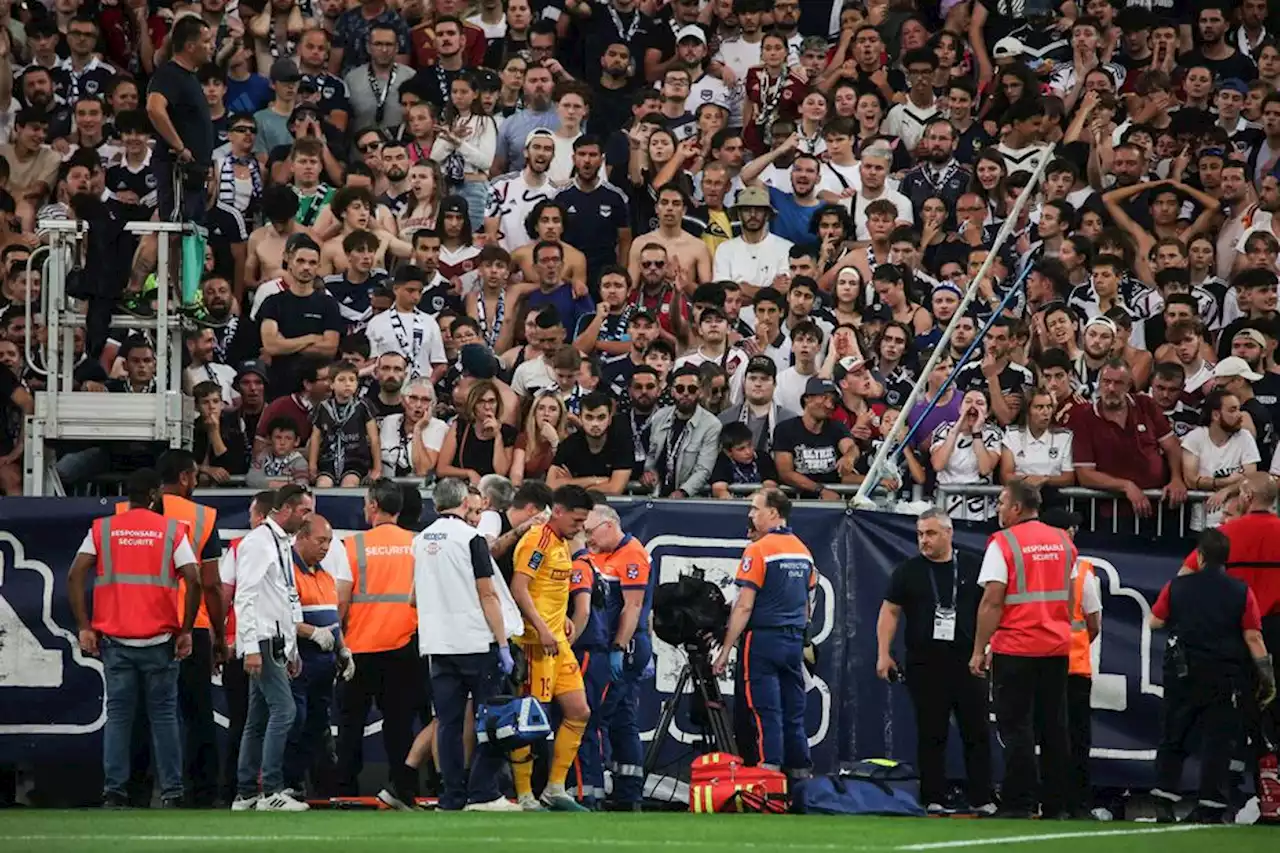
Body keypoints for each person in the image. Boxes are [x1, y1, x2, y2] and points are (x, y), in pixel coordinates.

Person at [67, 468, 201, 809]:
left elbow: (74, 573)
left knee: (119, 717)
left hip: (115, 639)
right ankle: (172, 793)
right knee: (165, 717)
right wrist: (186, 629)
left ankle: (115, 791)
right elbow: (193, 577)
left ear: (127, 495)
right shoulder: (172, 529)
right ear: (155, 495)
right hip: (160, 639)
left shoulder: (103, 529)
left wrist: (85, 625)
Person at [114, 450, 225, 808]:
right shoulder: (203, 518)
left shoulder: (120, 514)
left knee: (138, 714)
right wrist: (220, 635)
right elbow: (210, 584)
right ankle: (201, 793)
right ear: (184, 478)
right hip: (192, 626)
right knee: (197, 714)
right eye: (194, 476)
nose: (196, 482)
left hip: (139, 622)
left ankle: (134, 790)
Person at [1151, 528, 1276, 824]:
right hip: (1224, 674)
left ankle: (1163, 798)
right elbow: (1253, 636)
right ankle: (1210, 803)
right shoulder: (1241, 591)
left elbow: (1155, 621)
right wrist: (1267, 677)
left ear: (1201, 556)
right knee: (1216, 741)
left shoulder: (1177, 586)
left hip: (1182, 672)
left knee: (1173, 736)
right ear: (1227, 559)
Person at [875, 508, 994, 815]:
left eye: (930, 533)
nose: (923, 540)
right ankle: (933, 797)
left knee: (976, 730)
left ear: (948, 533)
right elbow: (890, 611)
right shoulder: (908, 570)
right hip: (925, 662)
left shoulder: (972, 566)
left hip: (968, 659)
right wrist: (883, 652)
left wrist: (990, 645)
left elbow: (992, 606)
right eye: (920, 534)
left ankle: (983, 796)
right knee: (931, 731)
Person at [970, 480, 1077, 819]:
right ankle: (1058, 804)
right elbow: (1071, 596)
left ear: (1017, 508)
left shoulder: (1003, 543)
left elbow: (991, 601)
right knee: (1054, 728)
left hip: (1016, 647)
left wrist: (979, 648)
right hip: (1056, 647)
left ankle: (1018, 802)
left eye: (1002, 503)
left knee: (1016, 728)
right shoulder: (1063, 540)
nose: (998, 509)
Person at [414, 478, 523, 812]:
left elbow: (412, 597)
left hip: (438, 644)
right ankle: (484, 793)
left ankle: (452, 796)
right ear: (464, 504)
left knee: (447, 724)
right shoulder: (471, 539)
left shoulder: (419, 541)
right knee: (493, 718)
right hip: (476, 642)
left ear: (436, 505)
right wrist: (503, 643)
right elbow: (487, 593)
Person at [713, 487, 815, 779]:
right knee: (793, 713)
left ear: (773, 512)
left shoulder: (758, 549)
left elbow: (744, 606)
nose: (750, 514)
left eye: (755, 508)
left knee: (765, 712)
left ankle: (768, 776)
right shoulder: (803, 550)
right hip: (793, 640)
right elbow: (807, 604)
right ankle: (800, 776)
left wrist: (725, 649)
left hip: (763, 640)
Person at [334, 479, 422, 810]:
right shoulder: (416, 543)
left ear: (373, 506)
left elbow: (341, 600)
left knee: (350, 723)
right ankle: (401, 790)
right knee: (399, 725)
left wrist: (338, 643)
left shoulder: (352, 546)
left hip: (359, 647)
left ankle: (345, 789)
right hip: (404, 644)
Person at [508, 485, 596, 811]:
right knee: (529, 719)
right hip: (535, 643)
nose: (580, 528)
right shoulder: (536, 540)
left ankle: (554, 788)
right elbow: (519, 588)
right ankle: (524, 794)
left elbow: (550, 590)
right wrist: (543, 628)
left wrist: (562, 621)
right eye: (576, 520)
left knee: (579, 711)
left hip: (557, 640)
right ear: (557, 511)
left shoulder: (561, 541)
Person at [232, 484, 315, 812]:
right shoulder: (259, 543)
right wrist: (250, 646)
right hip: (263, 638)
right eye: (304, 511)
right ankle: (272, 791)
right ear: (287, 509)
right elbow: (245, 596)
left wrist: (292, 649)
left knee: (259, 717)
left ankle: (246, 792)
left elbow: (284, 597)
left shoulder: (279, 542)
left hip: (274, 639)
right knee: (285, 711)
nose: (306, 518)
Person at [580, 503, 653, 811]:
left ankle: (593, 791)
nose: (587, 539)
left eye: (590, 531)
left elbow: (633, 607)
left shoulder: (632, 554)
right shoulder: (601, 553)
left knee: (594, 717)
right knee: (623, 720)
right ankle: (628, 793)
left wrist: (619, 649)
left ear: (609, 525)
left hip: (621, 646)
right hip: (616, 645)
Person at [284, 514, 353, 798]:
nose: (326, 547)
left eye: (329, 541)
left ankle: (312, 790)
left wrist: (343, 649)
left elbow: (334, 622)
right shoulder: (287, 572)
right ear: (301, 537)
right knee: (294, 723)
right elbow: (279, 616)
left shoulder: (324, 576)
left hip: (324, 665)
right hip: (299, 662)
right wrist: (311, 632)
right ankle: (287, 784)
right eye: (320, 540)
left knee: (317, 726)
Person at [1042, 508, 1102, 820]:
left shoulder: (1034, 568)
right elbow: (1093, 622)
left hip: (1043, 664)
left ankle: (1052, 803)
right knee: (1076, 739)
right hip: (1074, 666)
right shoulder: (1082, 571)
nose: (1073, 535)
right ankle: (1077, 804)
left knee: (1050, 737)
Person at [146, 15, 215, 223]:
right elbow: (154, 108)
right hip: (178, 171)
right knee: (176, 232)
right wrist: (179, 148)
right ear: (190, 46)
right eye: (206, 41)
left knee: (191, 234)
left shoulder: (190, 77)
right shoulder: (169, 74)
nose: (212, 46)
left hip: (194, 174)